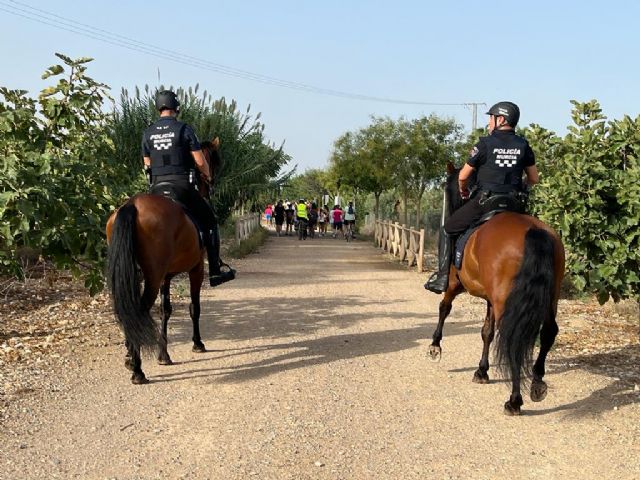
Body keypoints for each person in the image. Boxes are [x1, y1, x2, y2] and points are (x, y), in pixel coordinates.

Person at [425, 101, 538, 294]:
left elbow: (462, 176)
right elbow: (534, 178)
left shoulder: (485, 144)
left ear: (500, 119)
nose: (489, 123)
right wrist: (521, 188)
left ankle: (442, 276)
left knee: (448, 228)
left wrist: (463, 191)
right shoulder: (523, 145)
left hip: (485, 202)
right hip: (514, 203)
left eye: (491, 118)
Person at [142, 90, 235, 287]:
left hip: (157, 188)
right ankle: (216, 270)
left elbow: (147, 163)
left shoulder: (148, 132)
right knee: (210, 222)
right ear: (176, 108)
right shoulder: (183, 129)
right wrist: (208, 175)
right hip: (181, 187)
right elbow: (200, 160)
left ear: (158, 107)